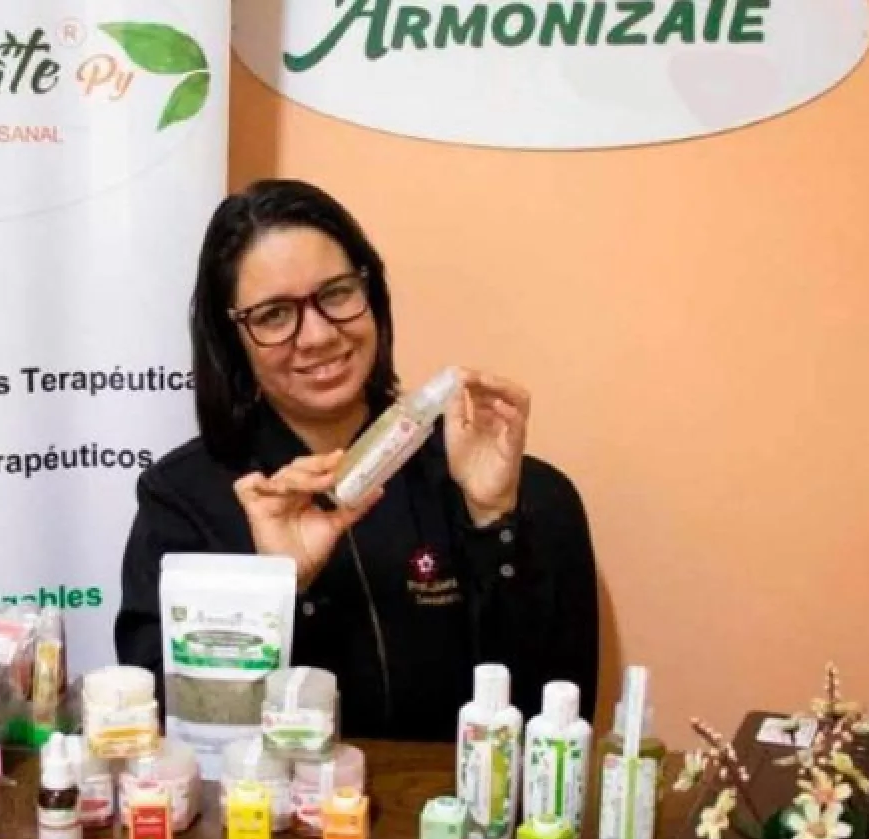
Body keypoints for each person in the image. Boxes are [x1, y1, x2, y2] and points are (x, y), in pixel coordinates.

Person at [113, 178, 599, 741]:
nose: (318, 334)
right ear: (232, 339)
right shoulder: (182, 499)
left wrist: (494, 522)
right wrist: (278, 591)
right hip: (267, 800)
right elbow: (162, 725)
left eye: (337, 293)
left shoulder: (521, 492)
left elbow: (556, 723)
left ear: (373, 294)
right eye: (274, 315)